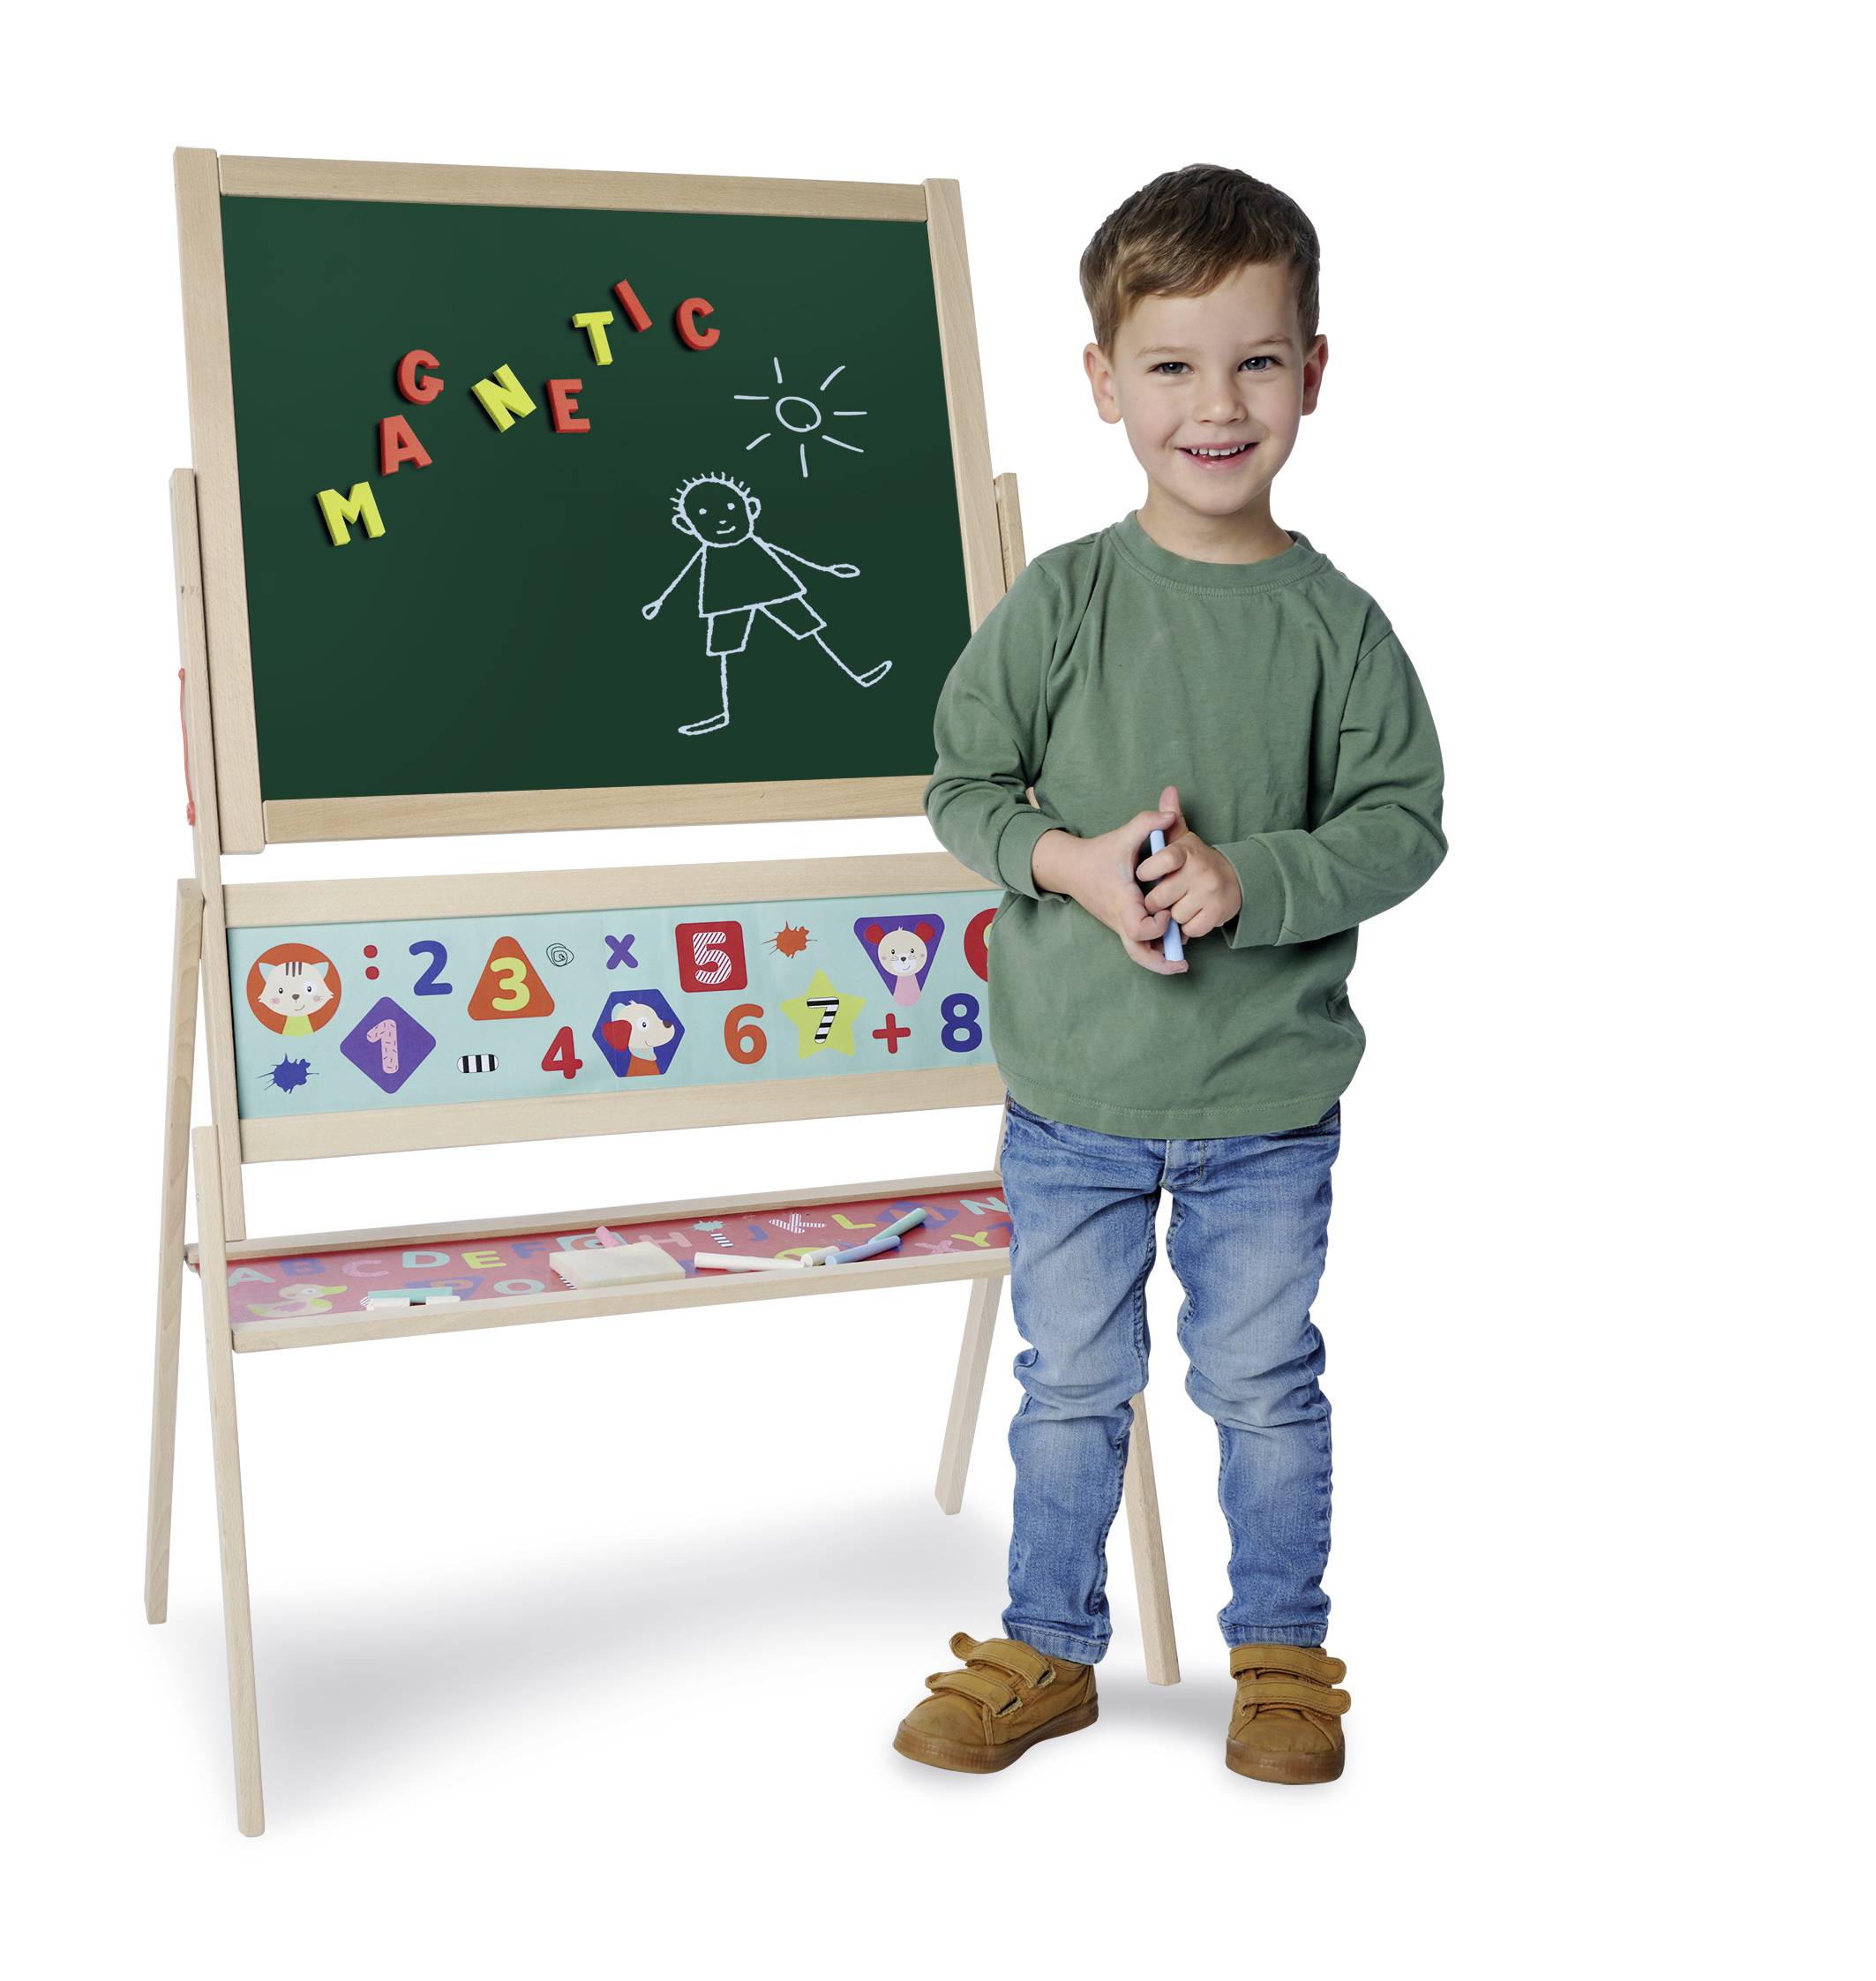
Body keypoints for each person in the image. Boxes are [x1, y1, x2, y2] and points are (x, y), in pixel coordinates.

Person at [897, 163, 1448, 1782]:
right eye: (1170, 366)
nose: (1216, 405)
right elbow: (958, 785)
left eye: (1255, 362)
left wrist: (1245, 878)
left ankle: (1281, 1657)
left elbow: (1402, 826)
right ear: (1103, 381)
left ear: (1312, 373)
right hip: (1070, 1099)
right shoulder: (1063, 600)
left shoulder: (1339, 628)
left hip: (1263, 1107)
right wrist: (1067, 861)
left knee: (1261, 1383)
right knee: (1069, 1381)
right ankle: (1045, 1646)